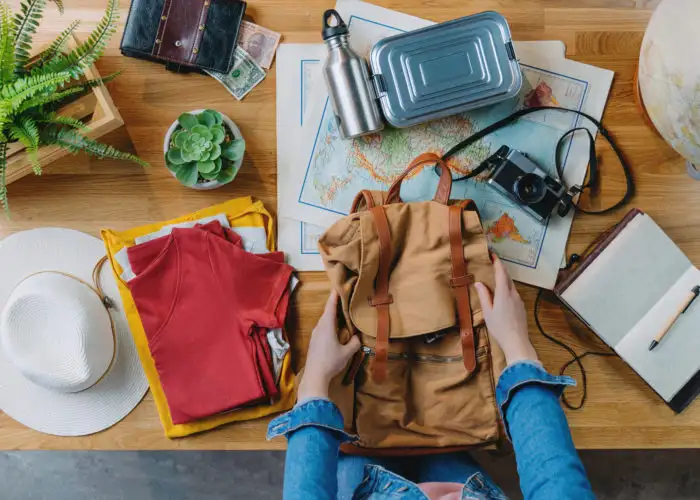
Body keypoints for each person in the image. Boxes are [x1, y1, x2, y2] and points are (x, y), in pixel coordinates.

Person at [268, 257, 595, 499]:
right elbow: (556, 480)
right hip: (460, 487)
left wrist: (314, 381)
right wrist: (517, 347)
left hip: (362, 482)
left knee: (360, 444)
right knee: (444, 444)